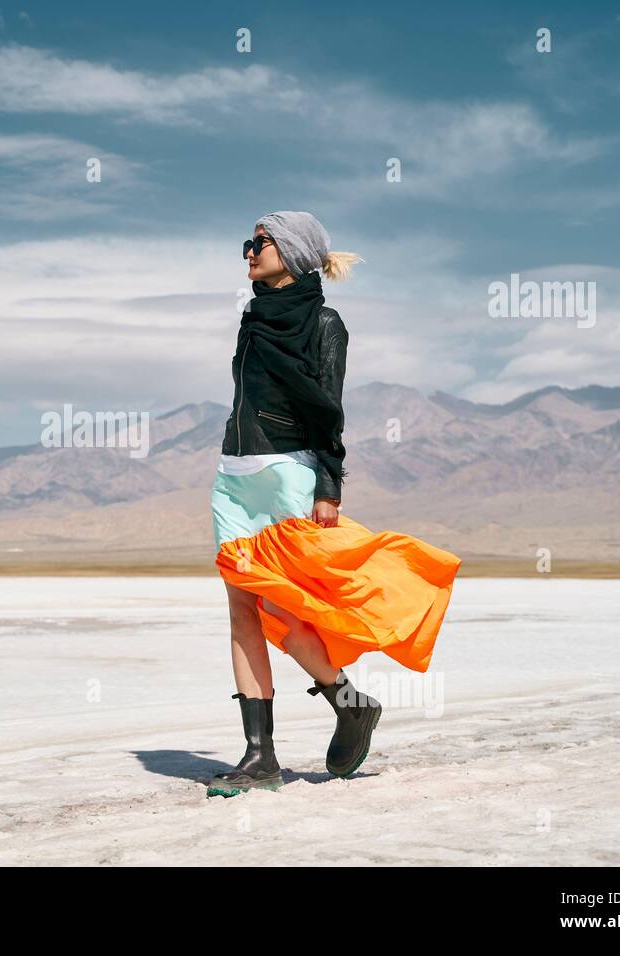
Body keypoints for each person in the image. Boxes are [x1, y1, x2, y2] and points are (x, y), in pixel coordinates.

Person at [207, 211, 461, 797]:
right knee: (243, 610)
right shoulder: (251, 320)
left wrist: (329, 485)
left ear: (292, 252)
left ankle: (351, 705)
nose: (248, 252)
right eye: (247, 243)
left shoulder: (325, 324)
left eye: (259, 243)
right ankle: (259, 756)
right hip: (233, 474)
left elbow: (327, 409)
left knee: (290, 612)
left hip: (289, 471)